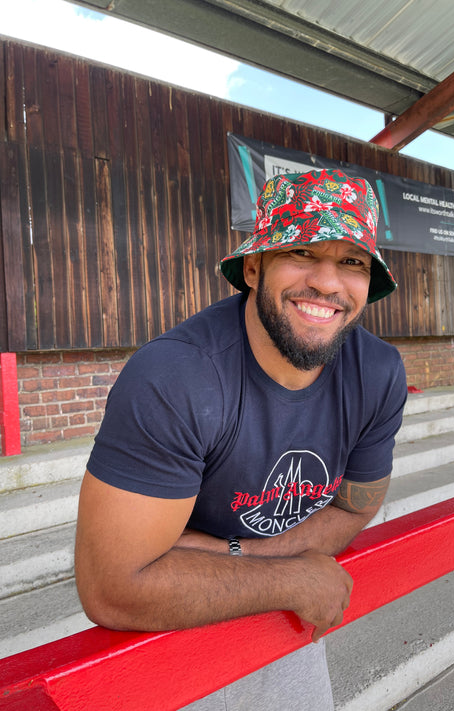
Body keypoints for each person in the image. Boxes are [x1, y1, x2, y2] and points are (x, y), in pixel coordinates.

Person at [75, 168, 407, 710]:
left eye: (351, 261)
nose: (327, 283)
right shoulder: (176, 377)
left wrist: (245, 558)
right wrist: (289, 581)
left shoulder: (378, 371)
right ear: (254, 268)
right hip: (168, 627)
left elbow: (354, 506)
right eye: (302, 252)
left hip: (282, 618)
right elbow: (114, 587)